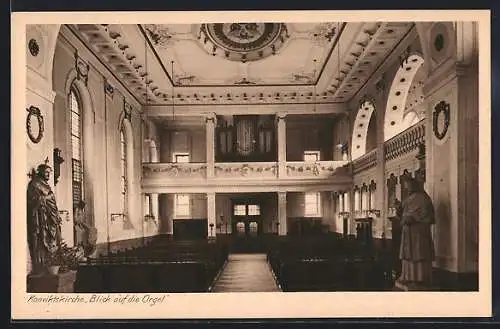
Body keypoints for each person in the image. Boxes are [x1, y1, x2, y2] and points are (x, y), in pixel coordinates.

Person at [397, 177, 435, 290]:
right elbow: (402, 213)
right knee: (408, 256)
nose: (407, 188)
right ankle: (407, 276)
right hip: (407, 233)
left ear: (414, 185)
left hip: (418, 233)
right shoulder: (408, 199)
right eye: (406, 186)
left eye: (408, 186)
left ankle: (419, 279)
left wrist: (413, 218)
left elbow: (429, 216)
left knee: (418, 255)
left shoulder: (424, 198)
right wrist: (398, 208)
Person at [27, 163, 62, 274]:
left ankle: (51, 263)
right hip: (42, 219)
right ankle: (42, 265)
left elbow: (51, 201)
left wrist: (54, 212)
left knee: (54, 239)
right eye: (46, 172)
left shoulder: (45, 185)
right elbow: (33, 200)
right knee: (42, 241)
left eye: (49, 172)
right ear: (40, 172)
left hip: (50, 217)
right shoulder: (35, 184)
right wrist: (47, 197)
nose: (48, 174)